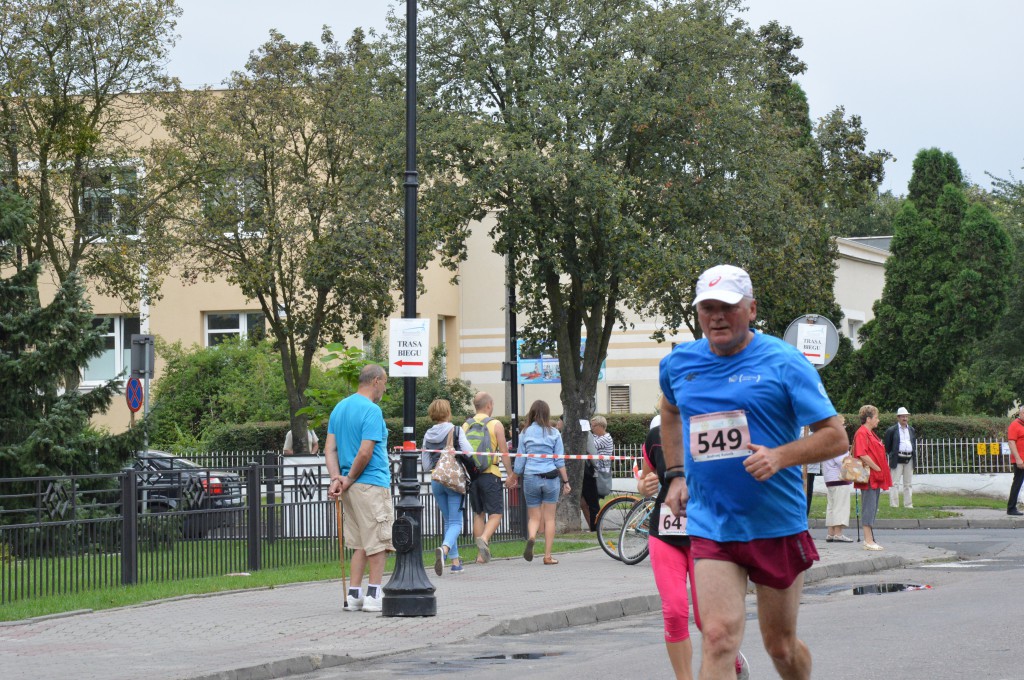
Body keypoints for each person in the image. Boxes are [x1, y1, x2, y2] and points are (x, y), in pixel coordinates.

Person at [659, 264, 848, 680]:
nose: (716, 316)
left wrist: (780, 456)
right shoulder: (679, 363)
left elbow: (836, 438)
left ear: (751, 309)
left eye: (727, 306)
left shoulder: (785, 362)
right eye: (707, 308)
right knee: (719, 638)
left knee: (779, 646)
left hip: (774, 523)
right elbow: (670, 410)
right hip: (713, 523)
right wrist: (676, 474)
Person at [638, 419, 750, 680]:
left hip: (706, 537)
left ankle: (729, 658)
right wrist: (645, 486)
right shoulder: (656, 435)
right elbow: (645, 480)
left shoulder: (718, 430)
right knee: (675, 611)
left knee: (708, 621)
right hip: (665, 534)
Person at [325, 364, 391, 613]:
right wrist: (350, 478)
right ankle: (374, 594)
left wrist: (336, 479)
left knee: (360, 542)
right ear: (375, 381)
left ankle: (354, 595)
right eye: (384, 382)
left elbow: (330, 449)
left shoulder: (340, 408)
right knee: (378, 541)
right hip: (371, 483)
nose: (385, 387)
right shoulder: (372, 410)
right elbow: (366, 451)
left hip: (348, 487)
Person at [462, 391, 517, 564]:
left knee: (479, 514)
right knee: (496, 513)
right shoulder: (495, 424)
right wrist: (510, 475)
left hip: (473, 476)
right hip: (491, 474)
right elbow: (504, 452)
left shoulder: (466, 425)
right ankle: (484, 539)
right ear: (489, 405)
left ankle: (481, 556)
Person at [422, 398, 474, 576]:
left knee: (448, 521)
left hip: (436, 479)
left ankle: (456, 562)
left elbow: (425, 464)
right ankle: (444, 551)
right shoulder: (456, 430)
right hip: (453, 479)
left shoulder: (428, 435)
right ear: (448, 412)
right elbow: (468, 453)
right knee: (456, 522)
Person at [514, 400, 569, 565]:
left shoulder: (525, 433)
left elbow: (520, 460)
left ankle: (531, 537)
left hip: (531, 477)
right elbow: (559, 461)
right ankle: (547, 556)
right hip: (551, 479)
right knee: (550, 518)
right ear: (547, 414)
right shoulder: (554, 433)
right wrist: (566, 481)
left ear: (532, 413)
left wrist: (514, 476)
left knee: (534, 517)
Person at [853, 404, 892, 551]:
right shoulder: (862, 433)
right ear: (868, 419)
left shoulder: (869, 433)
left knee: (872, 506)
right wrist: (877, 467)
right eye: (876, 417)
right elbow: (861, 454)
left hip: (875, 476)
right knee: (868, 507)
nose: (878, 420)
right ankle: (868, 540)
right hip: (869, 475)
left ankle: (870, 539)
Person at [822, 417, 854, 543]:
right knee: (840, 506)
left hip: (829, 479)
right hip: (839, 478)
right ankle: (838, 533)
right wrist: (850, 458)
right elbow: (842, 462)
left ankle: (830, 533)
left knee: (832, 506)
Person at [884, 406, 917, 508]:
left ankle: (908, 505)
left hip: (909, 458)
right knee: (895, 483)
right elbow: (888, 446)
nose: (905, 418)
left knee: (908, 483)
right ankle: (894, 505)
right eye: (902, 416)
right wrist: (893, 454)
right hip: (897, 459)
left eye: (906, 416)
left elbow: (913, 443)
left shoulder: (911, 429)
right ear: (898, 417)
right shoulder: (892, 430)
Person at [1005, 405, 1024, 516]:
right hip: (1020, 460)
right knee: (1017, 483)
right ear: (1021, 413)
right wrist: (1018, 459)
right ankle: (1011, 508)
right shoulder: (1015, 425)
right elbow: (1011, 443)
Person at [591, 416, 614, 499]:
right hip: (598, 470)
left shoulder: (606, 438)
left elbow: (592, 446)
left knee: (597, 493)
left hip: (602, 471)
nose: (591, 428)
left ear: (600, 426)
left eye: (593, 426)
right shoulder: (597, 436)